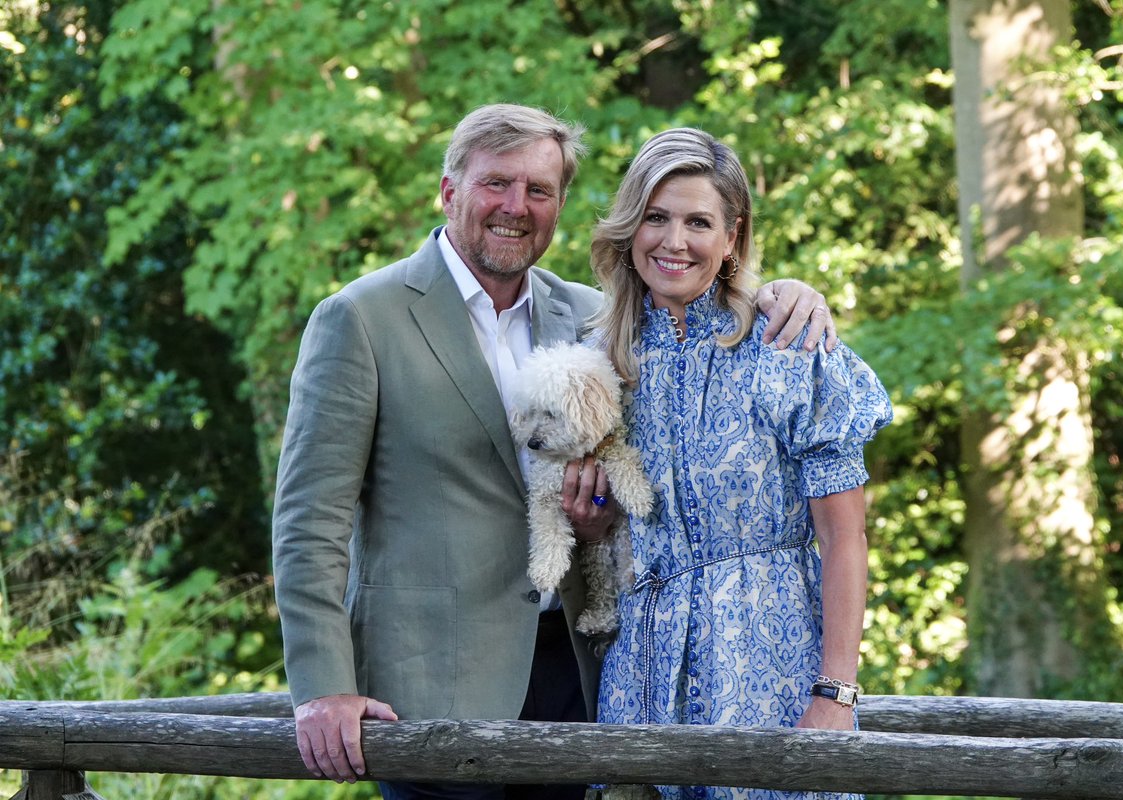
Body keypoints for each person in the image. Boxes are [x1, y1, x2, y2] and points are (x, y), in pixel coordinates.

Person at [271, 104, 840, 800]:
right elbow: (309, 524)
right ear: (450, 191)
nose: (516, 207)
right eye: (496, 184)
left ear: (560, 205)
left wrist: (786, 293)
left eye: (538, 191)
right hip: (426, 688)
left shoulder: (590, 317)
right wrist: (324, 688)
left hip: (578, 674)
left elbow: (701, 299)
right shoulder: (361, 319)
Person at [588, 128, 893, 800]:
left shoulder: (788, 346)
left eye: (698, 222)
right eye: (656, 217)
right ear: (629, 226)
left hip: (769, 672)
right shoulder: (601, 360)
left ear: (732, 237)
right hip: (640, 682)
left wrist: (835, 693)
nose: (674, 242)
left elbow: (844, 536)